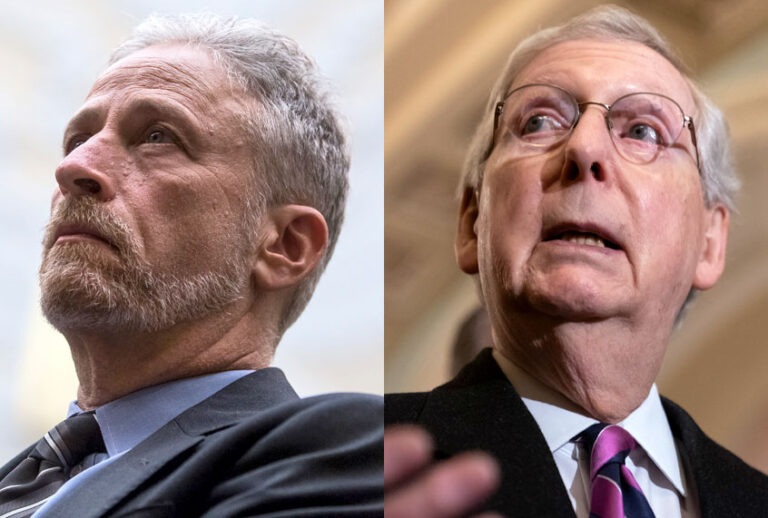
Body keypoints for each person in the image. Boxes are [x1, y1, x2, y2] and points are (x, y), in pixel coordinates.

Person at [385, 5, 768, 518]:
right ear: (471, 220)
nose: (584, 147)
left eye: (643, 131)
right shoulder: (352, 471)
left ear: (709, 242)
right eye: (539, 121)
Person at [0, 13, 382, 518]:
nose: (73, 167)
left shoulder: (332, 457)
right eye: (76, 140)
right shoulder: (19, 478)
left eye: (157, 136)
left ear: (285, 245)